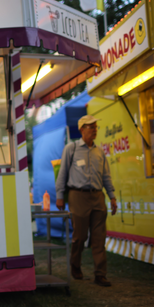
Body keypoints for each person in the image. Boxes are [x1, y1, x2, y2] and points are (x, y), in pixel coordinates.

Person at [55, 115, 117, 287]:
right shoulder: (71, 148)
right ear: (82, 130)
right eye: (91, 127)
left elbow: (106, 176)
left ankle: (100, 274)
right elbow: (62, 174)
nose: (94, 129)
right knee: (80, 237)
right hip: (78, 196)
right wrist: (60, 196)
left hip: (98, 196)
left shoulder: (100, 152)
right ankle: (75, 265)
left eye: (96, 126)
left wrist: (112, 196)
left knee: (99, 237)